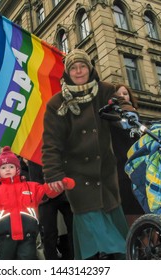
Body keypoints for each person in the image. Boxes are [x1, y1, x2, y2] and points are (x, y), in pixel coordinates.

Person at [42, 49, 136, 260]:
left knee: (112, 220)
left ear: (90, 68)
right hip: (77, 175)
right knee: (97, 227)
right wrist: (52, 174)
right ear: (67, 73)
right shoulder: (57, 104)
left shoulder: (104, 90)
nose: (78, 71)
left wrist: (128, 112)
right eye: (73, 68)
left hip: (105, 171)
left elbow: (121, 103)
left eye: (82, 66)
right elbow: (51, 143)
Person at [0, 146, 75, 260]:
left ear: (17, 169)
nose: (7, 170)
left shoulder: (30, 186)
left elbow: (46, 190)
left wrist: (61, 184)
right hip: (5, 237)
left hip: (28, 236)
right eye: (3, 167)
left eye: (11, 166)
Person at [112, 84, 144, 226]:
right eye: (118, 95)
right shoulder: (112, 119)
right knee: (133, 215)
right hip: (124, 172)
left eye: (125, 94)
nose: (123, 97)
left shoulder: (137, 119)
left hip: (142, 170)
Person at [28, 160, 74, 260]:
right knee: (49, 233)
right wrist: (41, 194)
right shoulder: (31, 154)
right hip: (46, 197)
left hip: (63, 190)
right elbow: (35, 178)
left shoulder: (56, 145)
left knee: (73, 227)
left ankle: (76, 257)